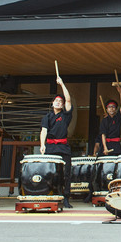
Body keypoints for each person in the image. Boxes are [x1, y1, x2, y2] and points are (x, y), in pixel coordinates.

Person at [39, 77, 74, 208]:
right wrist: (42, 145)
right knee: (50, 173)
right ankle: (50, 195)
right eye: (57, 101)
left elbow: (68, 99)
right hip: (50, 147)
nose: (59, 103)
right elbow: (43, 131)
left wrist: (62, 84)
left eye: (61, 101)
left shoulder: (66, 115)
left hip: (63, 146)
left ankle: (66, 197)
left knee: (66, 173)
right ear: (53, 103)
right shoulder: (47, 117)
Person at [100, 85, 121, 156]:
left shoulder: (118, 117)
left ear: (116, 109)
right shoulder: (104, 120)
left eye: (113, 107)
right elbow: (103, 135)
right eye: (109, 107)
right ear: (106, 109)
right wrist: (105, 147)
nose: (111, 108)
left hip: (116, 145)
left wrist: (120, 93)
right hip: (107, 145)